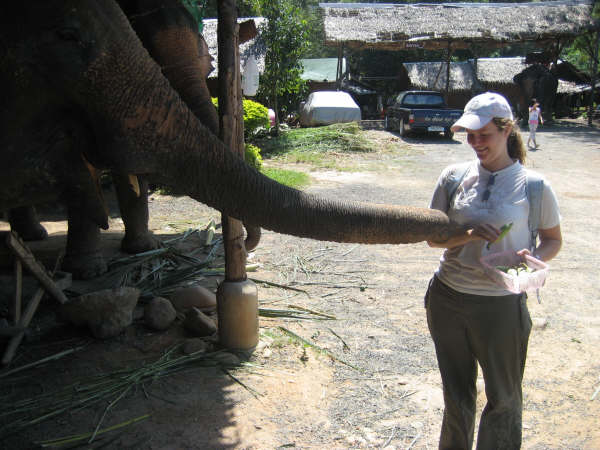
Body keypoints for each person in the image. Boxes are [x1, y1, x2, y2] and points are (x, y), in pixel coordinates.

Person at [425, 92, 562, 449]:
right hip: (447, 298)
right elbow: (433, 240)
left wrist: (530, 257)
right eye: (470, 136)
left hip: (500, 304)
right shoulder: (452, 177)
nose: (476, 143)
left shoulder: (534, 187)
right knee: (456, 395)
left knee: (503, 400)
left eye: (484, 135)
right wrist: (464, 235)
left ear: (507, 130)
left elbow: (552, 240)